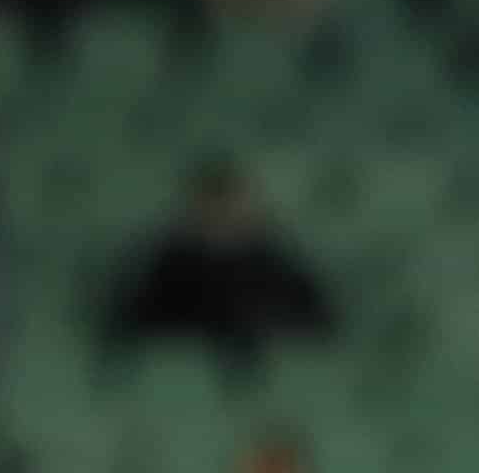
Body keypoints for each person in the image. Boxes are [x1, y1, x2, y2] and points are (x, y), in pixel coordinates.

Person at [103, 154, 336, 367]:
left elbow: (315, 328)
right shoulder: (165, 268)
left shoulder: (279, 268)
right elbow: (136, 328)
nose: (221, 213)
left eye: (229, 202)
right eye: (211, 202)